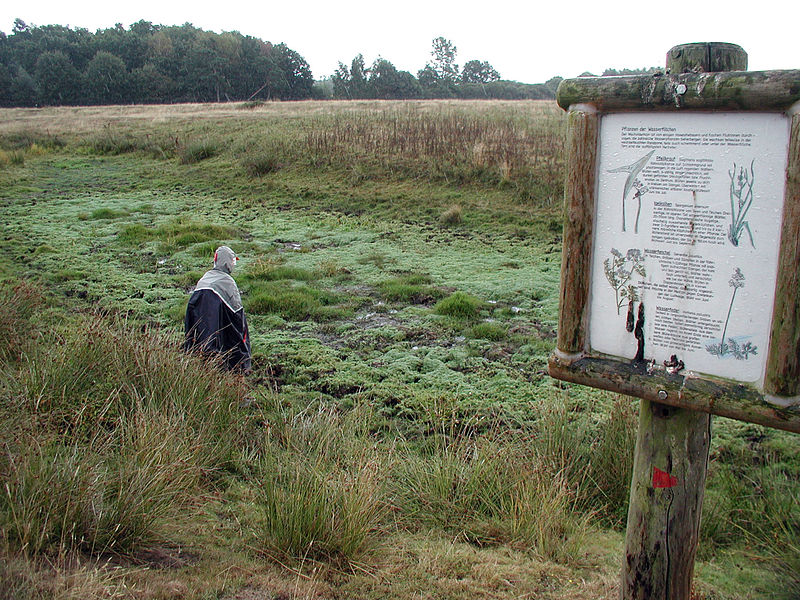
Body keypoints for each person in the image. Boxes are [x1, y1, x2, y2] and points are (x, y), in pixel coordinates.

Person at [184, 246, 251, 372]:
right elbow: (238, 321)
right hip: (221, 346)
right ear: (228, 262)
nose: (234, 265)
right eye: (233, 261)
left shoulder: (204, 280)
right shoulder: (228, 283)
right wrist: (244, 357)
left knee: (205, 349)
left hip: (202, 339)